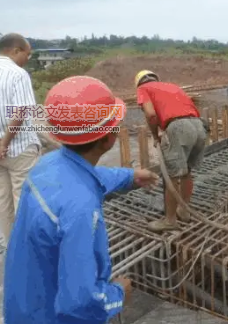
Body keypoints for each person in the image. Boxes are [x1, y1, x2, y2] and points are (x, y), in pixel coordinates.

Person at [3, 75, 159, 324]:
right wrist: (118, 293)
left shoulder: (46, 165)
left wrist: (130, 176)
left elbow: (90, 176)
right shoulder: (81, 210)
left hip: (24, 304)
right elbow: (80, 303)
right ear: (109, 138)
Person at [135, 69, 207, 232]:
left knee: (171, 176)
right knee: (187, 171)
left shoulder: (143, 89)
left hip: (178, 127)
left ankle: (170, 220)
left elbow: (151, 115)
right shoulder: (172, 86)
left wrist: (155, 135)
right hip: (198, 125)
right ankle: (184, 211)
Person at [0, 33, 41, 243]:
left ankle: (9, 249)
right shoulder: (18, 74)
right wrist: (4, 143)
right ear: (16, 50)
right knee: (24, 200)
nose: (28, 59)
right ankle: (26, 251)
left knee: (3, 204)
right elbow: (21, 111)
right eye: (28, 54)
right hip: (18, 148)